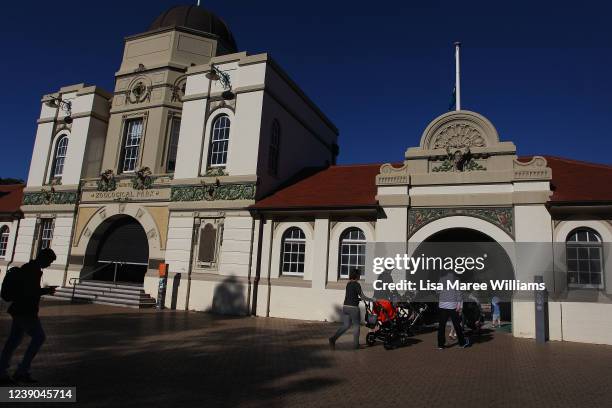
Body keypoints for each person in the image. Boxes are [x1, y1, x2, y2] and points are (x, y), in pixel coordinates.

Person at [0, 248, 57, 384]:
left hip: (19, 310)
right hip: (26, 311)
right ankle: (21, 371)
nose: (49, 265)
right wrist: (46, 290)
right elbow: (30, 292)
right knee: (38, 337)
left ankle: (3, 371)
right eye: (49, 262)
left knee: (13, 341)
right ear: (44, 258)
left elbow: (28, 290)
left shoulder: (29, 268)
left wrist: (43, 290)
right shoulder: (33, 270)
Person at [329, 268, 372, 350]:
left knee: (346, 325)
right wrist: (372, 299)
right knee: (356, 326)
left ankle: (333, 339)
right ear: (357, 276)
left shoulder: (348, 284)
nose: (360, 276)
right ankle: (356, 345)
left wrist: (358, 299)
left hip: (345, 307)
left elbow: (351, 296)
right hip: (353, 308)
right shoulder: (357, 284)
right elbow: (362, 296)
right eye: (359, 274)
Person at [437, 272, 469, 349]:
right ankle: (462, 343)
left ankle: (440, 345)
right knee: (457, 325)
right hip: (452, 306)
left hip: (442, 305)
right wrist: (459, 304)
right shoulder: (456, 279)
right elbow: (459, 293)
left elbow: (437, 291)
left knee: (441, 326)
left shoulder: (441, 279)